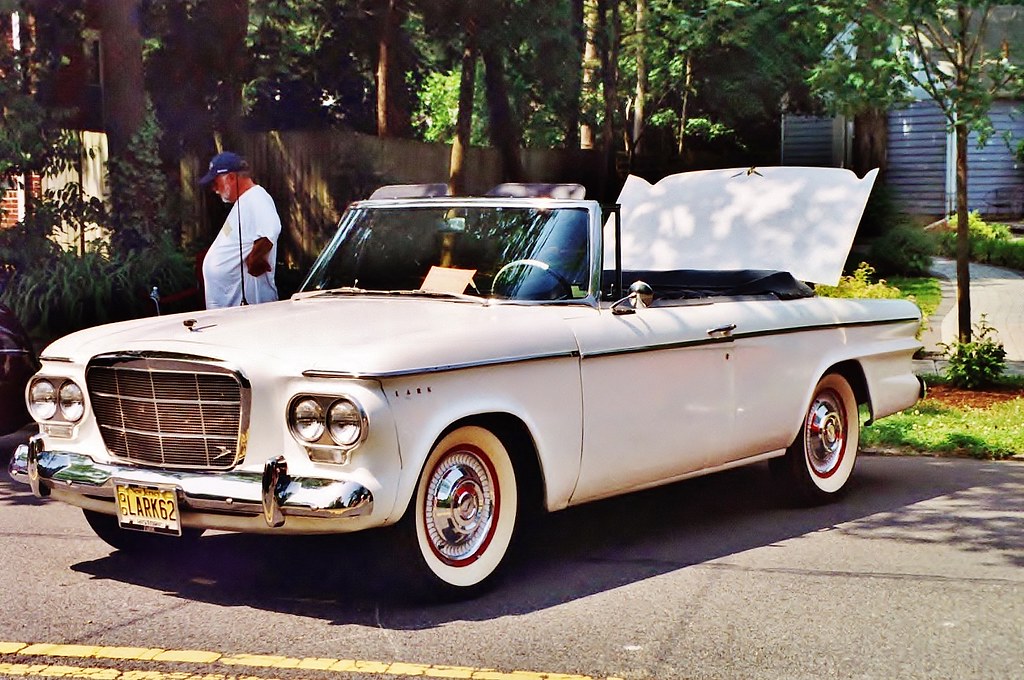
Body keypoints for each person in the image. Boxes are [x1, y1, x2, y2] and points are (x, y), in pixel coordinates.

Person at [198, 151, 282, 308]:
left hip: (247, 308)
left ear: (231, 177)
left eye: (216, 182)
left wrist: (254, 260)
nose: (214, 189)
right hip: (232, 309)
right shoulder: (245, 201)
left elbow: (271, 230)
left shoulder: (257, 197)